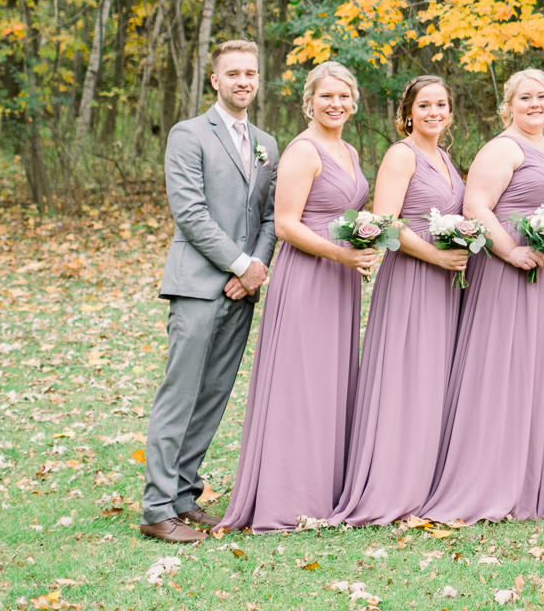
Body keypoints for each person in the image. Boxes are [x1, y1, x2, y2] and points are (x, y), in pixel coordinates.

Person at [418, 69, 544, 522]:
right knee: (508, 367)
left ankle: (541, 481)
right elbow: (476, 206)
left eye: (543, 96)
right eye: (525, 97)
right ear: (508, 104)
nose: (536, 104)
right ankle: (493, 481)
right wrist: (511, 251)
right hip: (512, 269)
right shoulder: (503, 148)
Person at [220, 60, 377, 531]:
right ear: (309, 101)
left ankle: (325, 491)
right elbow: (286, 225)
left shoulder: (347, 149)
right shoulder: (303, 151)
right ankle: (288, 498)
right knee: (301, 382)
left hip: (340, 278)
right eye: (326, 96)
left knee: (331, 381)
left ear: (354, 102)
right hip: (309, 276)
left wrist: (363, 242)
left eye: (344, 95)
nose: (336, 104)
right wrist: (341, 254)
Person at [141, 41, 278, 543]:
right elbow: (190, 212)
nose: (244, 81)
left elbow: (268, 215)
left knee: (215, 395)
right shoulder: (188, 134)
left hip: (242, 291)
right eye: (234, 73)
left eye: (251, 73)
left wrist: (255, 269)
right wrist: (241, 264)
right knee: (181, 395)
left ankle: (182, 494)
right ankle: (156, 508)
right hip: (197, 286)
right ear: (215, 80)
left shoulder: (268, 142)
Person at [336, 75, 470, 525]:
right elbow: (385, 221)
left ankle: (425, 482)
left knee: (433, 379)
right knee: (405, 376)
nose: (434, 113)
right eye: (425, 105)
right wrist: (435, 255)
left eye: (442, 105)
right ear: (407, 113)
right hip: (413, 276)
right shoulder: (401, 155)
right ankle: (392, 486)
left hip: (445, 284)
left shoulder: (447, 159)